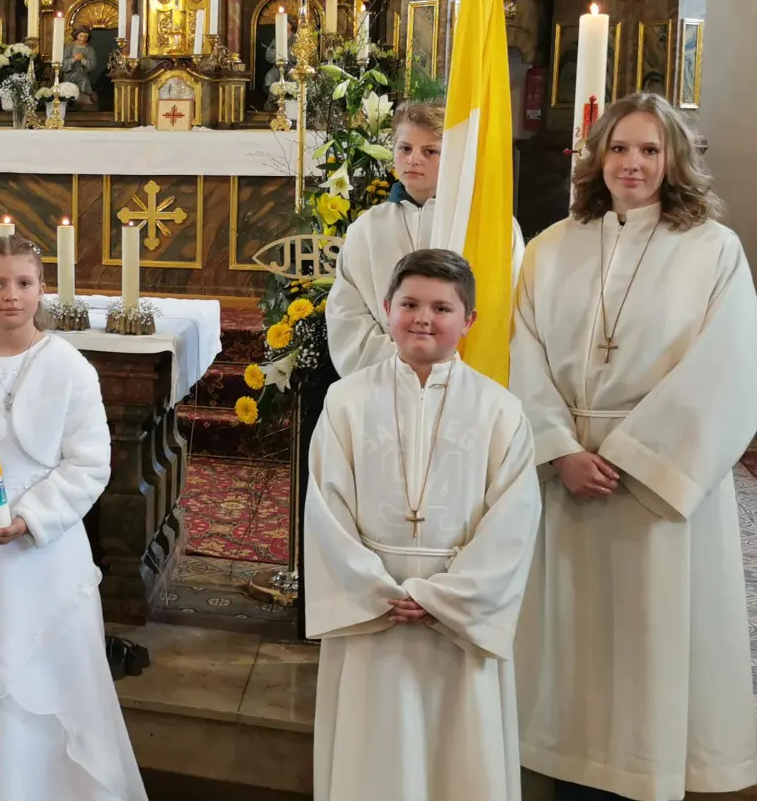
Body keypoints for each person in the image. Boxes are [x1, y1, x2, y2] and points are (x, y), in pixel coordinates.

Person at [511, 93, 757, 801]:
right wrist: (557, 448)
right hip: (565, 475)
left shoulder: (713, 249)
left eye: (650, 150)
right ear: (598, 158)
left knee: (648, 646)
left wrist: (630, 458)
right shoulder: (553, 247)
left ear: (674, 159)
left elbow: (728, 370)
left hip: (652, 485)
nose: (633, 163)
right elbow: (521, 352)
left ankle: (643, 776)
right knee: (569, 647)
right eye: (619, 148)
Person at [304, 249, 541, 801]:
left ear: (470, 320)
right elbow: (327, 507)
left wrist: (444, 598)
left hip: (456, 622)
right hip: (374, 612)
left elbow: (513, 522)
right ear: (386, 309)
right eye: (409, 303)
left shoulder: (500, 411)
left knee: (458, 760)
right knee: (375, 757)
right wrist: (377, 589)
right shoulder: (345, 402)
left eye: (442, 307)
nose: (424, 319)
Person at [0, 236, 145, 801]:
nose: (10, 295)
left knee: (51, 672)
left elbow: (91, 463)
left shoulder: (70, 367)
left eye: (23, 283)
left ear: (42, 288)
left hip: (47, 548)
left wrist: (33, 518)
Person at [326, 103, 525, 377]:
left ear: (455, 156)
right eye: (405, 148)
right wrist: (400, 367)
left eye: (430, 151)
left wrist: (452, 369)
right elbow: (347, 315)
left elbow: (508, 307)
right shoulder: (367, 229)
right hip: (383, 381)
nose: (413, 159)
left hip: (467, 382)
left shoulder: (492, 227)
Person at [61, 25, 98, 107]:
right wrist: (73, 59)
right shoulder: (69, 47)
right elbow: (63, 63)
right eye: (80, 36)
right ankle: (73, 101)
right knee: (79, 79)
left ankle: (82, 100)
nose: (82, 39)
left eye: (85, 37)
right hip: (69, 74)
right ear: (76, 35)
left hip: (83, 73)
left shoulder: (89, 49)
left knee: (83, 80)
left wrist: (83, 60)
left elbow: (92, 65)